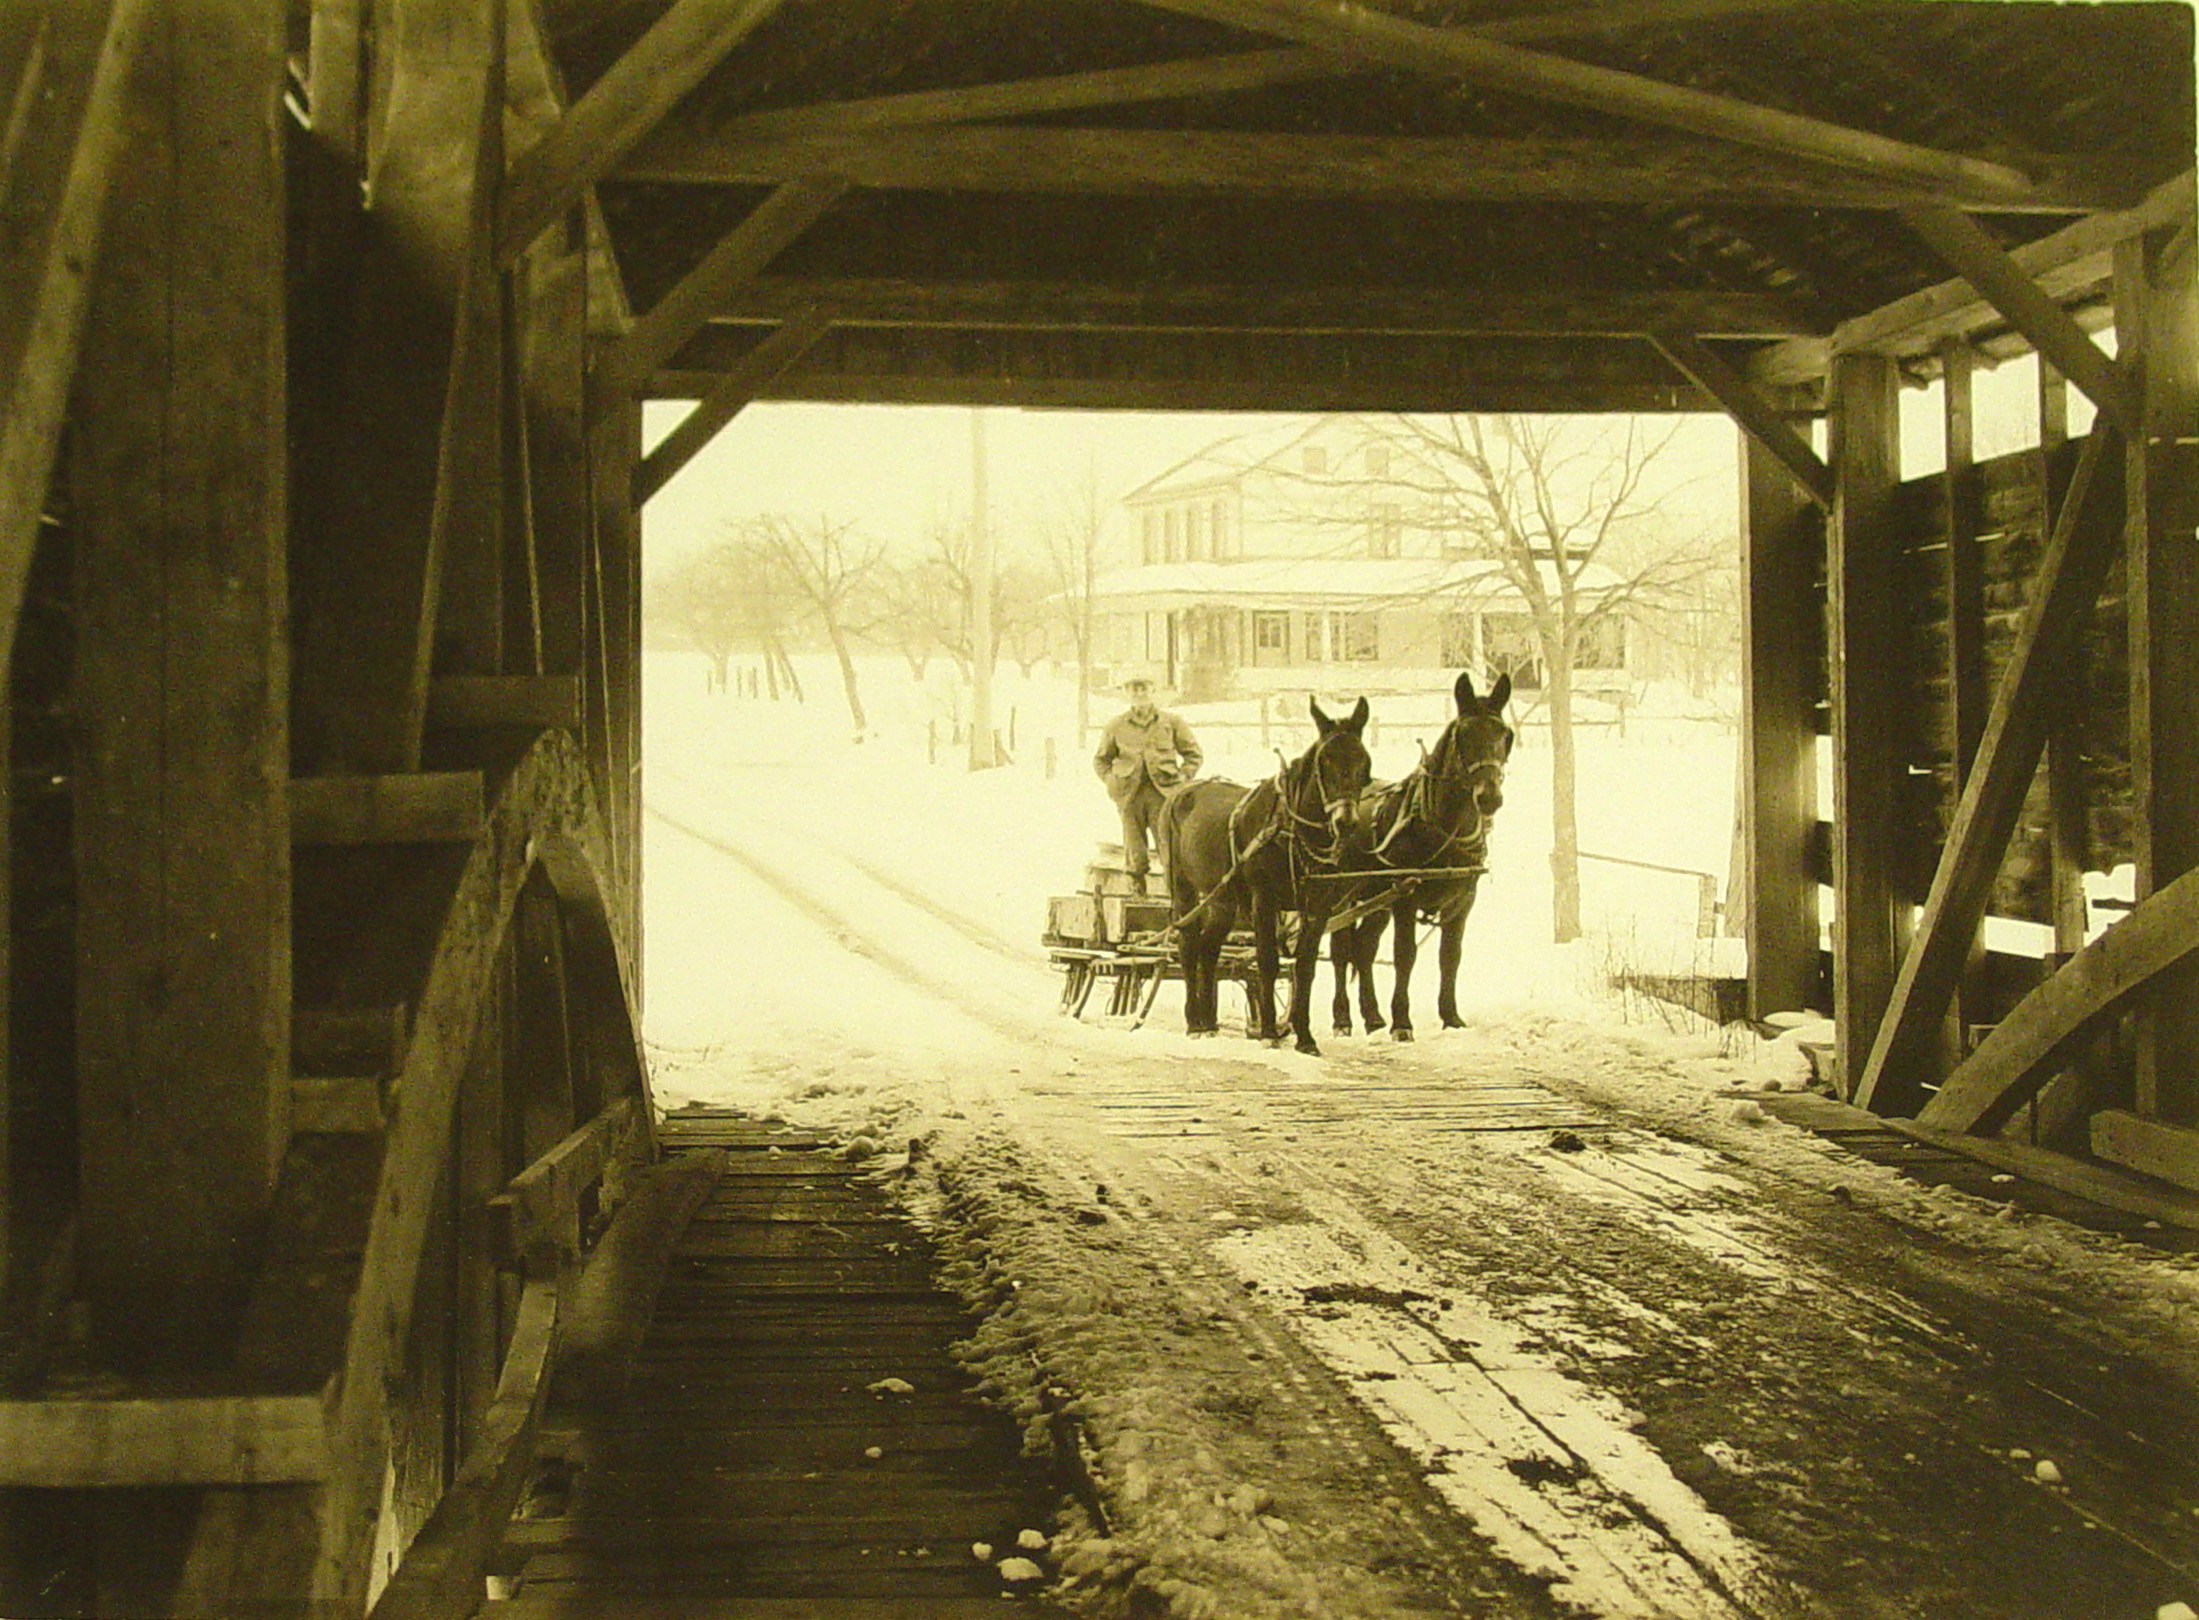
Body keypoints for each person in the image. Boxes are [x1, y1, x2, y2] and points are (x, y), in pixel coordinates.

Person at [1093, 676, 1202, 893]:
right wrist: (1111, 780)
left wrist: (1182, 777)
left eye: (1144, 689)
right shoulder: (1116, 725)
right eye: (1133, 689)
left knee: (1168, 846)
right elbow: (1101, 760)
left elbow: (1194, 755)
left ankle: (1176, 894)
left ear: (1153, 691)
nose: (1139, 694)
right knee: (1135, 849)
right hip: (1129, 795)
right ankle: (1137, 890)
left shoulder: (1171, 722)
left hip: (1163, 794)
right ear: (1127, 693)